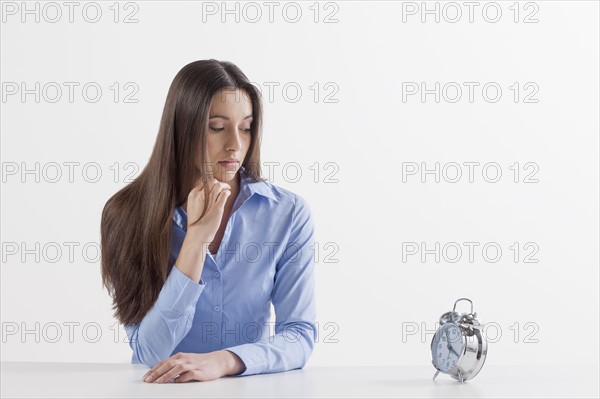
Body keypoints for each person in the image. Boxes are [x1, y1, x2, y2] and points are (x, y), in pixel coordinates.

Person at [100, 59, 317, 383]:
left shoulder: (287, 213)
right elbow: (150, 353)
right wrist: (195, 240)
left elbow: (299, 334)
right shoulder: (127, 214)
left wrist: (226, 361)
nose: (236, 144)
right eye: (217, 127)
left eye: (246, 127)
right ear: (183, 127)